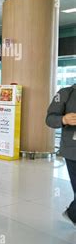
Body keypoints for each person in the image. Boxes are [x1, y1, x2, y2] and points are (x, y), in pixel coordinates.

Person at [46, 84, 76, 226]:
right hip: (73, 151)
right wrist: (63, 120)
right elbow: (50, 119)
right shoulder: (66, 93)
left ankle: (73, 213)